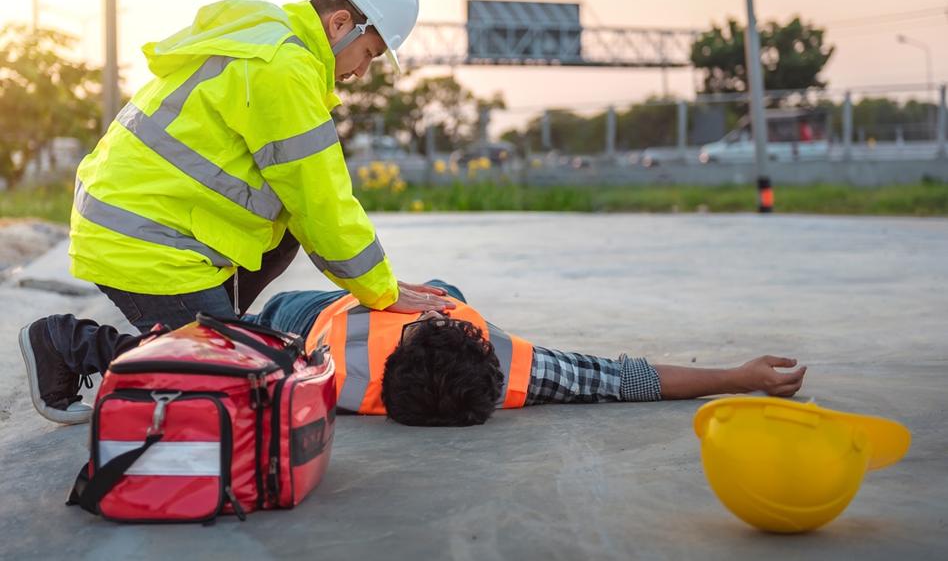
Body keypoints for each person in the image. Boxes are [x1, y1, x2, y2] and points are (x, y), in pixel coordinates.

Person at [23, 0, 455, 424]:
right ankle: (66, 343)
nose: (362, 71)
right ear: (341, 24)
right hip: (141, 238)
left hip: (151, 223)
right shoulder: (281, 68)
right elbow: (324, 202)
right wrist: (384, 291)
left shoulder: (267, 39)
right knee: (237, 388)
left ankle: (218, 334)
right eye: (370, 54)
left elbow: (308, 207)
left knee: (285, 235)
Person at [21, 281, 807, 427]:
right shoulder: (515, 368)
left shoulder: (316, 373)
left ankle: (71, 340)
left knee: (223, 351)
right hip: (311, 308)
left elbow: (626, 376)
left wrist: (740, 376)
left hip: (311, 319)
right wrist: (735, 377)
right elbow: (623, 378)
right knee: (234, 336)